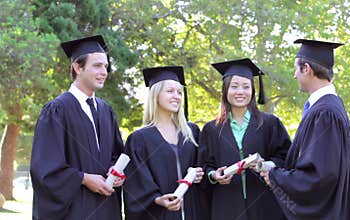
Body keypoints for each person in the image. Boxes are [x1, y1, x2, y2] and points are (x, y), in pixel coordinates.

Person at [260, 39, 350, 220]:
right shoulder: (330, 107)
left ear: (306, 68)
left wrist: (274, 176)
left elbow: (319, 177)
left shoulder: (325, 113)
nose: (294, 75)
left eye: (296, 69)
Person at [30, 35, 125, 220]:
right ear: (77, 67)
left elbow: (116, 153)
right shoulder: (57, 110)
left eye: (105, 66)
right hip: (74, 211)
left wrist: (118, 172)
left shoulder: (106, 111)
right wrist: (84, 178)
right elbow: (44, 168)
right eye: (97, 65)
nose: (104, 72)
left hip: (106, 210)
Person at [200, 58, 291, 220]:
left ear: (253, 91)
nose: (240, 92)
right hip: (226, 205)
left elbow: (286, 158)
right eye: (234, 86)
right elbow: (205, 165)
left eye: (246, 87)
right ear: (225, 90)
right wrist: (214, 175)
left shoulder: (270, 123)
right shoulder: (211, 129)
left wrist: (265, 165)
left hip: (265, 204)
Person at [123, 66, 205, 220]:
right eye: (170, 91)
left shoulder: (191, 132)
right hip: (159, 215)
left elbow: (204, 167)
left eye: (179, 92)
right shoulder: (139, 139)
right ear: (156, 95)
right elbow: (135, 184)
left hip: (193, 212)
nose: (176, 96)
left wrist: (200, 174)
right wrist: (156, 198)